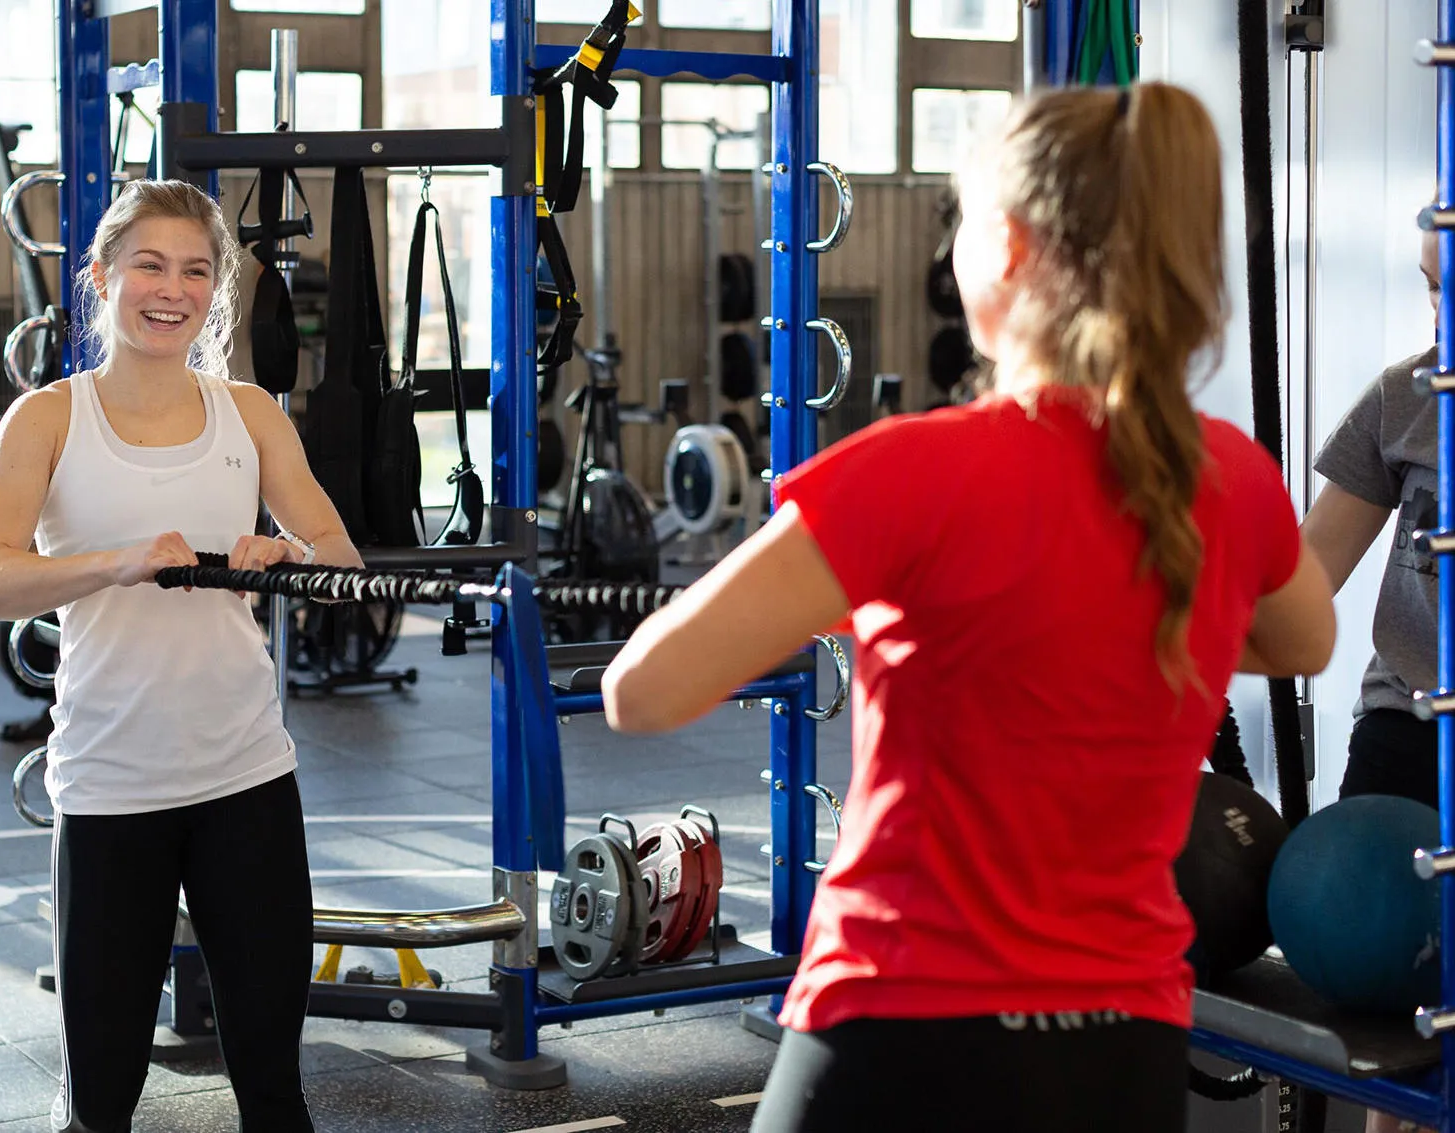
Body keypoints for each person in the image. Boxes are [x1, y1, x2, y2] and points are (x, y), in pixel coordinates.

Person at [599, 83, 1337, 1133]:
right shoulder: (1226, 475)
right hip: (1120, 1046)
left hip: (904, 1026)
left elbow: (642, 689)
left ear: (1004, 246)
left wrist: (852, 599)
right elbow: (1303, 635)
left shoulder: (910, 472)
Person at [0, 179, 360, 1133]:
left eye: (193, 270)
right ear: (100, 277)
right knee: (102, 1100)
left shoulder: (251, 413)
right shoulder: (49, 418)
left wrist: (286, 561)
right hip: (109, 789)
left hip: (247, 778)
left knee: (274, 1089)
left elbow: (341, 561)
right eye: (148, 264)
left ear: (214, 290)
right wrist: (119, 563)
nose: (169, 288)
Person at [1298, 227, 1444, 1133]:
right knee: (1385, 1015)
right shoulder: (1404, 400)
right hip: (1403, 730)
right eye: (1430, 288)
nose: (1440, 314)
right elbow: (1301, 586)